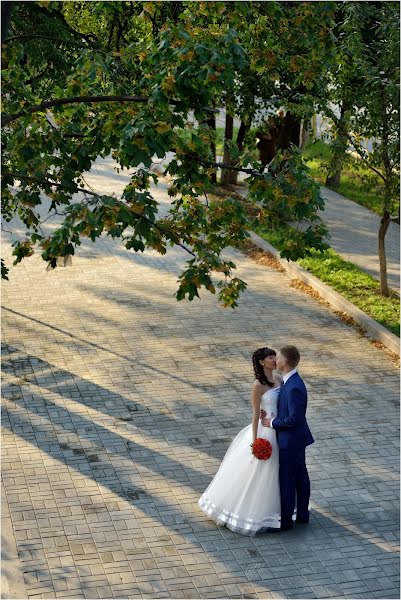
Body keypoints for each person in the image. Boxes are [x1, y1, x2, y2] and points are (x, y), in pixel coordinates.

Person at [198, 347, 284, 535]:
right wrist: (255, 441)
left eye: (274, 356)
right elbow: (255, 415)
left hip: (279, 428)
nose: (274, 359)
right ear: (262, 362)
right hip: (265, 431)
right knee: (262, 471)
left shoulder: (279, 379)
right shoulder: (257, 385)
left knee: (278, 472)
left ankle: (278, 512)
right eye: (270, 357)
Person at [261, 345, 314, 531]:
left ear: (284, 362)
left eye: (279, 357)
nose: (276, 359)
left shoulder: (294, 388)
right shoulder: (289, 381)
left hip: (290, 441)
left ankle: (285, 522)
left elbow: (294, 418)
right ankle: (302, 515)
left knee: (288, 479)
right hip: (295, 439)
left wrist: (273, 422)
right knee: (300, 476)